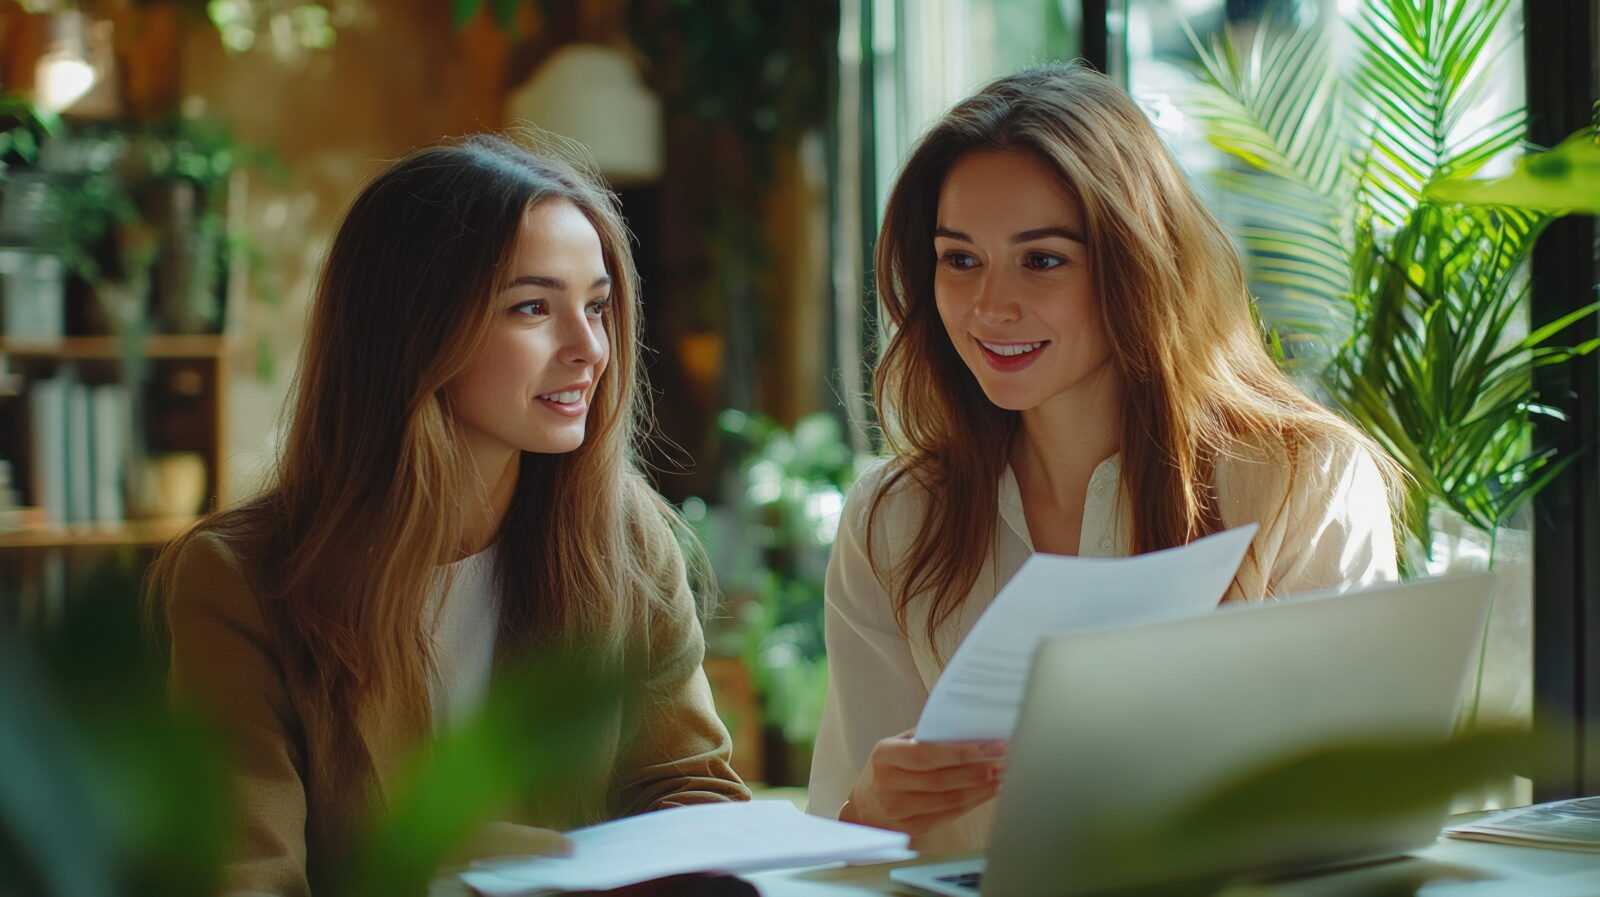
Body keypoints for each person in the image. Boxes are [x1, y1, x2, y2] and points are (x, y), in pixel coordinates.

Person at [808, 62, 1399, 854]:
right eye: (960, 259)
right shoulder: (892, 521)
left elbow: (1357, 809)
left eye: (1042, 259)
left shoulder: (1301, 481)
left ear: (1136, 261)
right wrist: (870, 807)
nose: (990, 305)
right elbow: (840, 857)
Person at [151, 134, 749, 897]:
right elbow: (242, 877)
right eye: (532, 306)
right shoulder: (245, 581)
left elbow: (689, 796)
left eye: (597, 305)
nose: (590, 348)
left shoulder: (627, 542)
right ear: (412, 330)